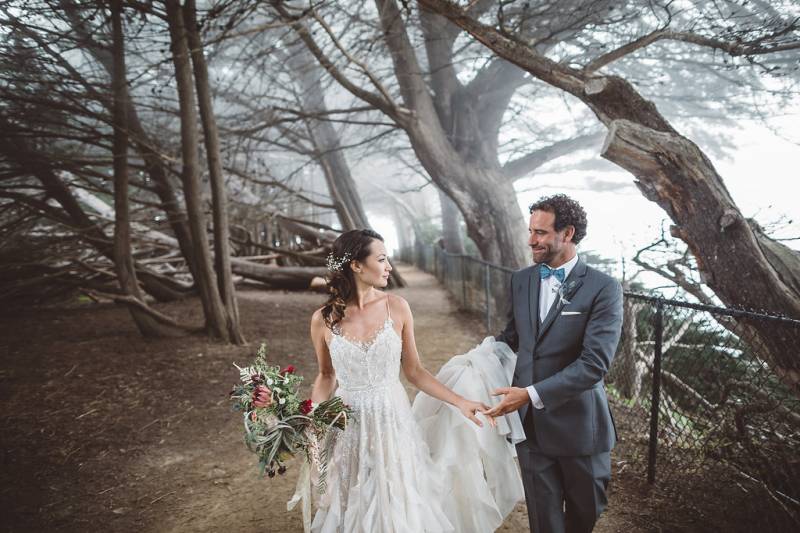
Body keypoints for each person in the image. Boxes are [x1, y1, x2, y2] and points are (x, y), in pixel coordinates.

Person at [307, 228, 507, 532]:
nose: (389, 267)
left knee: (397, 496)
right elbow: (325, 375)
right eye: (383, 259)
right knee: (354, 499)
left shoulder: (397, 307)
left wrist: (460, 401)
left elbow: (414, 371)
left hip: (392, 419)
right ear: (356, 265)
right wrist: (315, 414)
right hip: (347, 422)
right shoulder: (323, 318)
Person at [485, 194, 623, 533]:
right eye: (531, 231)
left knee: (584, 516)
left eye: (542, 233)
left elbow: (594, 364)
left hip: (581, 430)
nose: (532, 240)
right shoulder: (522, 280)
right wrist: (479, 359)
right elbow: (514, 338)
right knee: (544, 524)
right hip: (530, 428)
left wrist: (529, 393)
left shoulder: (603, 288)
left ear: (568, 233)